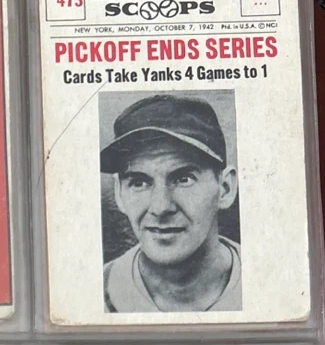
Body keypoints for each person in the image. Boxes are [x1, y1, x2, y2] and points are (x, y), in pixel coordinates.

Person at [100, 95, 240, 314]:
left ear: (225, 189)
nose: (161, 207)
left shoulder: (270, 284)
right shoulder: (89, 296)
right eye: (139, 183)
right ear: (119, 193)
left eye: (183, 179)